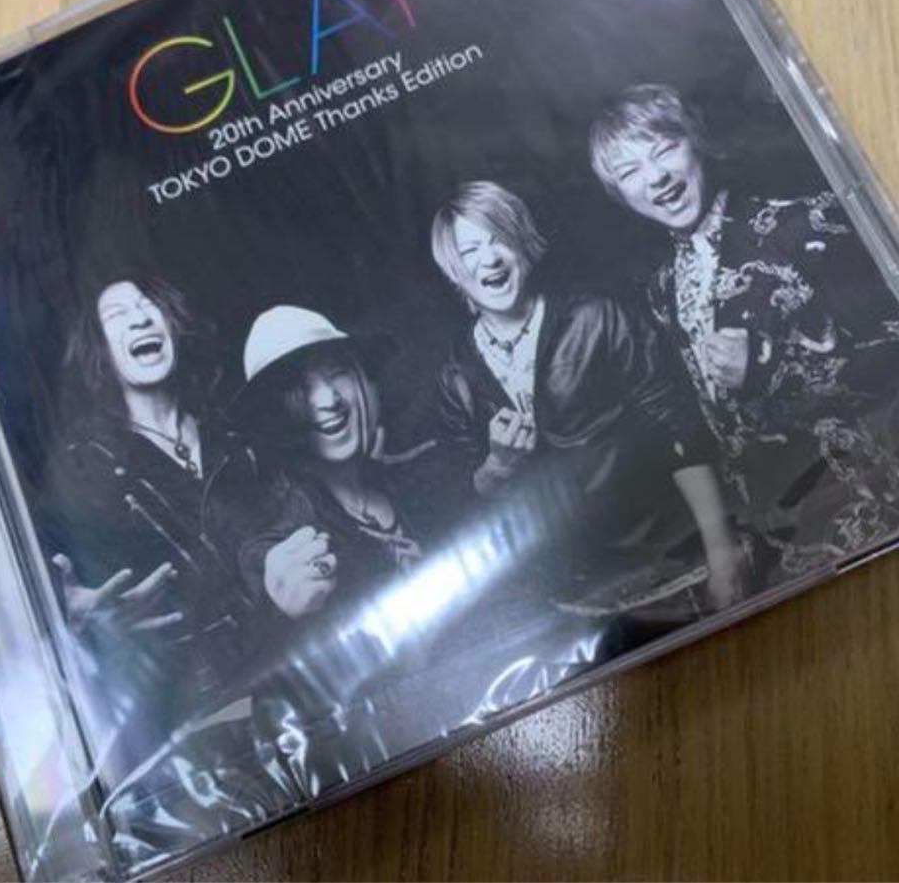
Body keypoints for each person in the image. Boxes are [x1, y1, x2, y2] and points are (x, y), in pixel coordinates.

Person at [588, 83, 899, 573]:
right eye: (630, 172)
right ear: (619, 195)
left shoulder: (803, 222)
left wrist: (772, 362)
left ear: (696, 139)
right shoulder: (662, 288)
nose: (656, 177)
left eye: (665, 149)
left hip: (876, 505)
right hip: (781, 534)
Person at [430, 179, 747, 623]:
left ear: (522, 243)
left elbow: (681, 433)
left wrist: (721, 551)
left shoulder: (598, 317)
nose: (490, 258)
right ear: (453, 270)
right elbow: (461, 513)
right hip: (560, 603)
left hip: (669, 567)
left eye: (499, 238)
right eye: (470, 251)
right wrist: (497, 467)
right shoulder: (456, 376)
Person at [44, 275, 272, 845]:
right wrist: (73, 616)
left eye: (149, 307)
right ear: (101, 350)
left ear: (174, 326)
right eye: (119, 315)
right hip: (183, 730)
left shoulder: (235, 436)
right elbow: (60, 591)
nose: (141, 319)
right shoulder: (85, 463)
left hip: (277, 685)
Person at [227, 305, 485, 798]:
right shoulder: (283, 534)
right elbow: (269, 676)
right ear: (275, 415)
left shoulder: (401, 484)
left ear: (364, 381)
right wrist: (280, 614)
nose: (327, 400)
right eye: (300, 388)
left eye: (337, 374)